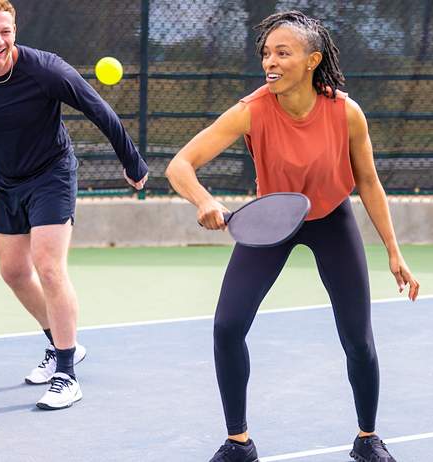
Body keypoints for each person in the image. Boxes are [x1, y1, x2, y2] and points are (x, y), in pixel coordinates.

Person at [165, 11, 419, 462]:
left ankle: (367, 439)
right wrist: (202, 200)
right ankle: (238, 443)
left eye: (283, 52)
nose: (271, 62)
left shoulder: (346, 113)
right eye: (266, 53)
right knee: (226, 328)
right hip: (272, 222)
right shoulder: (251, 110)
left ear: (312, 60)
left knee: (358, 338)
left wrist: (394, 252)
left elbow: (369, 182)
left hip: (331, 220)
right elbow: (179, 164)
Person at [0, 0, 148, 411]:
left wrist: (132, 161)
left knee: (48, 266)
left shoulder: (46, 70)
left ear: (14, 31)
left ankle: (66, 374)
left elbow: (100, 110)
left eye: (5, 31)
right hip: (5, 181)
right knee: (13, 272)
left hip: (52, 174)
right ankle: (63, 346)